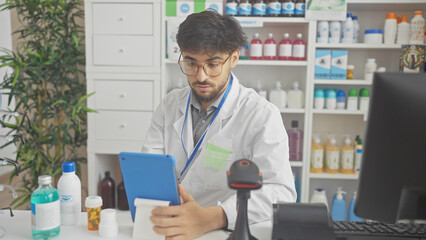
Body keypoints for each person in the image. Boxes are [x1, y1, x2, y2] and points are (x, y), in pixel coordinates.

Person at [142, 10, 296, 240]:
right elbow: (150, 171)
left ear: (233, 58)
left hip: (223, 231)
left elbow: (281, 191)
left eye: (213, 64)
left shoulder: (261, 114)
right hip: (170, 226)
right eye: (190, 63)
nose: (201, 76)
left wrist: (214, 216)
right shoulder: (170, 105)